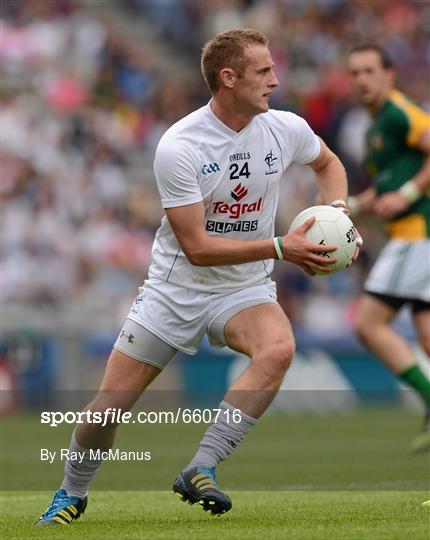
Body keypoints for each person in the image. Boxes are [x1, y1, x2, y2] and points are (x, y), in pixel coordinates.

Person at [37, 29, 359, 525]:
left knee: (278, 349)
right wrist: (280, 247)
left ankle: (201, 465)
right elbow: (198, 248)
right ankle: (71, 493)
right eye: (264, 71)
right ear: (228, 78)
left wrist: (338, 214)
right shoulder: (179, 146)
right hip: (176, 289)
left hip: (244, 287)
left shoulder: (284, 127)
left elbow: (328, 162)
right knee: (107, 410)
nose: (276, 80)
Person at [347, 45, 430, 452]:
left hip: (419, 233)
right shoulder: (375, 129)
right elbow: (385, 188)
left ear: (389, 74)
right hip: (413, 234)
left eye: (369, 70)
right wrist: (354, 206)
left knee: (368, 323)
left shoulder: (400, 112)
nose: (362, 79)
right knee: (428, 338)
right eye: (355, 73)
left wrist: (411, 192)